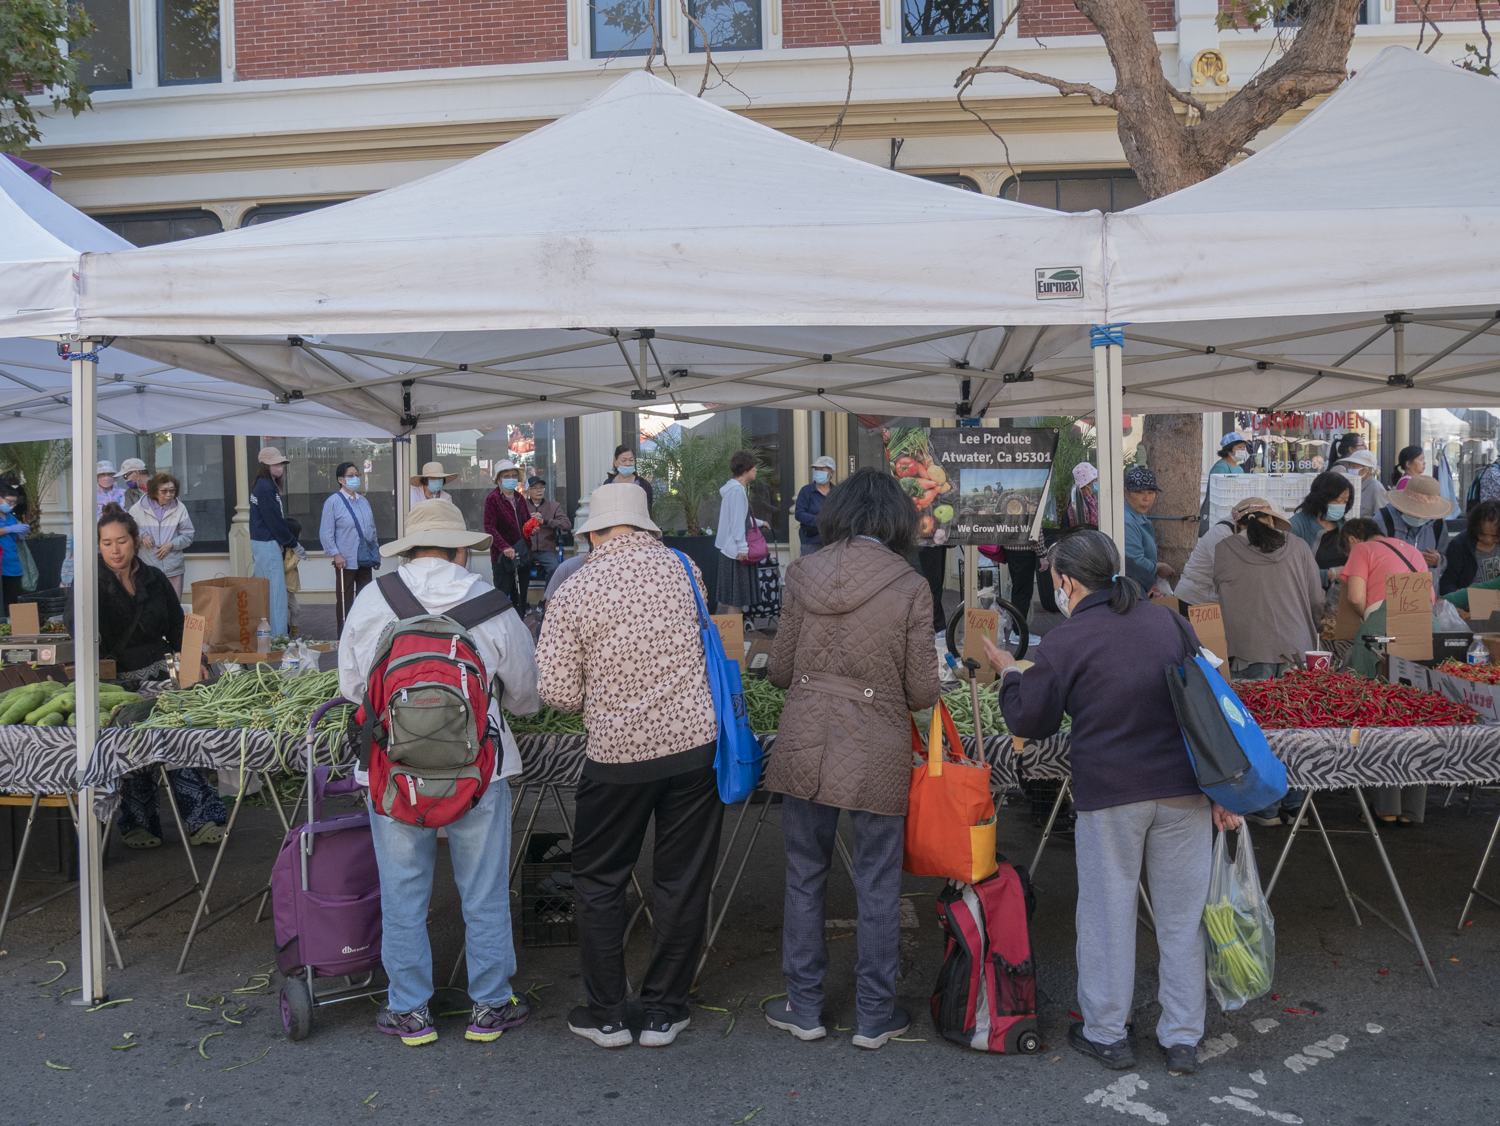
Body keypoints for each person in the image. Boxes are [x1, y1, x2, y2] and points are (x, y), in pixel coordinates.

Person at [986, 529, 1240, 1076]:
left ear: (1067, 581)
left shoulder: (1066, 639)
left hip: (1112, 796)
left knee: (1108, 914)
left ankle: (1107, 1033)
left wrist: (1010, 672)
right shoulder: (1168, 620)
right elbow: (1213, 694)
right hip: (1184, 793)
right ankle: (1182, 1039)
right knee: (1181, 919)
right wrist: (1223, 791)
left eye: (1054, 576)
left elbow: (1031, 720)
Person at [340, 500, 539, 1046]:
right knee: (484, 889)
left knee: (403, 892)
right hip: (481, 769)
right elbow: (525, 696)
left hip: (392, 770)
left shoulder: (373, 599)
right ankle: (491, 1007)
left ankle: (409, 1012)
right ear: (461, 550)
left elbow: (353, 690)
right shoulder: (492, 602)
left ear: (407, 551)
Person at [536, 482, 721, 1050]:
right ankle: (665, 1010)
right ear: (646, 528)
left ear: (592, 532)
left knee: (598, 880)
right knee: (683, 880)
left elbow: (558, 693)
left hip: (616, 756)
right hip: (693, 747)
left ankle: (608, 1014)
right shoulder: (685, 568)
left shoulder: (574, 587)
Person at [762, 468, 941, 1050]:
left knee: (804, 876)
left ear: (837, 512)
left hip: (805, 741)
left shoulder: (802, 573)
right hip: (878, 748)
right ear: (896, 519)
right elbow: (921, 694)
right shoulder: (911, 585)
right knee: (877, 882)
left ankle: (805, 1007)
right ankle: (873, 1015)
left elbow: (783, 671)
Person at [92, 504, 228, 849]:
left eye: (121, 541)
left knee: (181, 740)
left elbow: (178, 627)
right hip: (118, 684)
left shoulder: (153, 579)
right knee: (134, 750)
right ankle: (138, 823)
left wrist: (194, 659)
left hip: (165, 675)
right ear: (98, 546)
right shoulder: (89, 585)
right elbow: (81, 637)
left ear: (135, 541)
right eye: (106, 543)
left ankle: (203, 818)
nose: (115, 549)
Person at [1211, 497, 1321, 690]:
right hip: (1297, 646)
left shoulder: (1224, 549)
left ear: (1238, 525)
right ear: (1271, 521)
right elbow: (1317, 600)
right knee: (1296, 715)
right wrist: (1317, 626)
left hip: (1249, 651)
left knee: (1257, 714)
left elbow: (1221, 599)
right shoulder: (1300, 545)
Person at [1176, 498, 1276, 607]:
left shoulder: (1245, 534)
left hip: (1217, 601)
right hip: (1194, 600)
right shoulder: (1222, 536)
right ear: (1244, 525)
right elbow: (1235, 578)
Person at [320, 460, 381, 635]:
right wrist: (336, 554)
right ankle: (345, 635)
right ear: (341, 479)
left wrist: (375, 552)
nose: (355, 478)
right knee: (345, 598)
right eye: (350, 475)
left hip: (365, 559)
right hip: (345, 560)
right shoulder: (333, 502)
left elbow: (371, 529)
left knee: (366, 597)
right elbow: (326, 532)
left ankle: (364, 633)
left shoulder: (364, 501)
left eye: (357, 475)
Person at [249, 447, 303, 638]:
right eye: (276, 463)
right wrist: (292, 543)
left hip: (263, 542)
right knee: (276, 594)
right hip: (267, 542)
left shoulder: (263, 485)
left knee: (266, 592)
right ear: (266, 465)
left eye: (280, 463)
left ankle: (267, 635)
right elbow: (274, 521)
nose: (280, 467)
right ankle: (278, 637)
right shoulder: (265, 487)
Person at [1376, 475, 1453, 584]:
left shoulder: (1438, 524)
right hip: (1388, 592)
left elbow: (1445, 557)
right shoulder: (1382, 521)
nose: (1419, 517)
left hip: (1427, 594)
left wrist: (1439, 560)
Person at [128, 472, 194, 598]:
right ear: (154, 491)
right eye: (164, 491)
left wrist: (171, 544)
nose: (169, 495)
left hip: (173, 567)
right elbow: (129, 531)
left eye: (172, 491)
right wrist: (143, 536)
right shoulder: (137, 509)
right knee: (150, 607)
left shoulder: (180, 508)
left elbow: (188, 535)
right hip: (148, 567)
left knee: (173, 607)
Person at [714, 449, 763, 616]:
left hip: (730, 550)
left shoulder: (733, 490)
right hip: (735, 552)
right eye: (754, 467)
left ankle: (735, 638)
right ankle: (733, 640)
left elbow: (738, 518)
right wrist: (743, 548)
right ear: (746, 470)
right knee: (737, 600)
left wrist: (761, 523)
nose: (756, 470)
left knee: (737, 599)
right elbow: (736, 523)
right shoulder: (737, 491)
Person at [1288, 471, 1352, 590]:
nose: (1341, 505)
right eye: (1336, 501)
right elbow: (1289, 570)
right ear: (1321, 498)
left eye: (1345, 501)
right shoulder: (1296, 527)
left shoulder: (1345, 527)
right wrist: (1329, 575)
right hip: (1308, 596)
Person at [482, 460, 530, 611]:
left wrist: (532, 528)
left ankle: (520, 625)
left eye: (513, 475)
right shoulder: (493, 499)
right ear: (498, 480)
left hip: (521, 553)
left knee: (521, 597)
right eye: (506, 476)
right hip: (502, 557)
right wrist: (504, 547)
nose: (511, 478)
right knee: (503, 594)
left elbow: (526, 522)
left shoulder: (520, 498)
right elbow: (489, 527)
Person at [1123, 466, 1176, 595]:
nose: (1146, 498)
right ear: (1125, 493)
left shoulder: (1138, 515)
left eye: (1150, 493)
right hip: (1131, 590)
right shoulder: (1127, 522)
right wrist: (1157, 567)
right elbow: (1135, 562)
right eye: (1139, 493)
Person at [1441, 499, 1500, 595]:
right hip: (1467, 604)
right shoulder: (1459, 545)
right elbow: (1446, 584)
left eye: (1495, 536)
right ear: (1475, 528)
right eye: (1482, 534)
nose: (1488, 539)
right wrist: (1458, 594)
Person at [523, 475, 571, 591]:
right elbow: (514, 525)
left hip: (547, 549)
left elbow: (567, 525)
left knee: (554, 568)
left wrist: (545, 521)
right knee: (520, 568)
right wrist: (528, 520)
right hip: (527, 548)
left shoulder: (553, 506)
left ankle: (546, 600)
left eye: (541, 487)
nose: (539, 490)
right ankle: (524, 602)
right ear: (528, 491)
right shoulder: (522, 506)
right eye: (535, 488)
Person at [793, 456, 837, 553]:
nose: (818, 472)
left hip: (833, 542)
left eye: (822, 469)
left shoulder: (837, 493)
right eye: (816, 469)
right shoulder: (806, 491)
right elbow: (799, 514)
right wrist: (821, 520)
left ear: (831, 473)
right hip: (811, 541)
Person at [0, 482, 29, 613]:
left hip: (12, 563)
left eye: (14, 503)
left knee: (12, 600)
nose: (11, 505)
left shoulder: (11, 518)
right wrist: (8, 529)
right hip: (1, 565)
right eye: (9, 502)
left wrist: (21, 535)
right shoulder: (10, 523)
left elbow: (15, 540)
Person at [1333, 447, 1386, 519]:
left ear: (1368, 470)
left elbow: (1383, 518)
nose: (1351, 469)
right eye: (1350, 466)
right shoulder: (1349, 485)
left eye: (1354, 466)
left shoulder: (1376, 488)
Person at [604, 444, 654, 515]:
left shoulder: (643, 485)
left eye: (631, 460)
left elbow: (647, 511)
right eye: (623, 460)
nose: (628, 463)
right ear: (615, 462)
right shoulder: (608, 484)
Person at [1063, 462, 1099, 531]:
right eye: (1095, 480)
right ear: (1087, 483)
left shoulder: (1093, 500)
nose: (1097, 482)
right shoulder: (1080, 504)